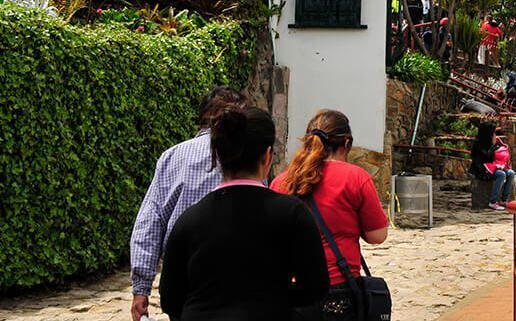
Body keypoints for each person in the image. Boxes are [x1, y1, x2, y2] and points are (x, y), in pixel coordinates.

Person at [160, 107, 328, 321]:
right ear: (267, 156)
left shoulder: (189, 220)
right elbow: (315, 287)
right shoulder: (292, 214)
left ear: (219, 156)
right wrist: (276, 300)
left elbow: (170, 298)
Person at [130, 86, 246, 321]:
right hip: (236, 272)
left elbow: (150, 220)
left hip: (182, 274)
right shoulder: (248, 155)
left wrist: (141, 287)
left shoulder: (173, 156)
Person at [271, 110, 389, 319]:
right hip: (338, 289)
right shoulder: (355, 177)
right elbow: (377, 236)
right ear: (346, 144)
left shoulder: (280, 182)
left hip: (293, 289)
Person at [470, 122, 516, 210]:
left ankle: (504, 200)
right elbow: (487, 157)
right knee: (501, 174)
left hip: (493, 166)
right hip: (482, 169)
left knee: (511, 173)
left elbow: (496, 156)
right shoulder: (478, 143)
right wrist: (493, 146)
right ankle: (493, 202)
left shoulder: (490, 141)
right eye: (492, 132)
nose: (494, 134)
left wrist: (498, 145)